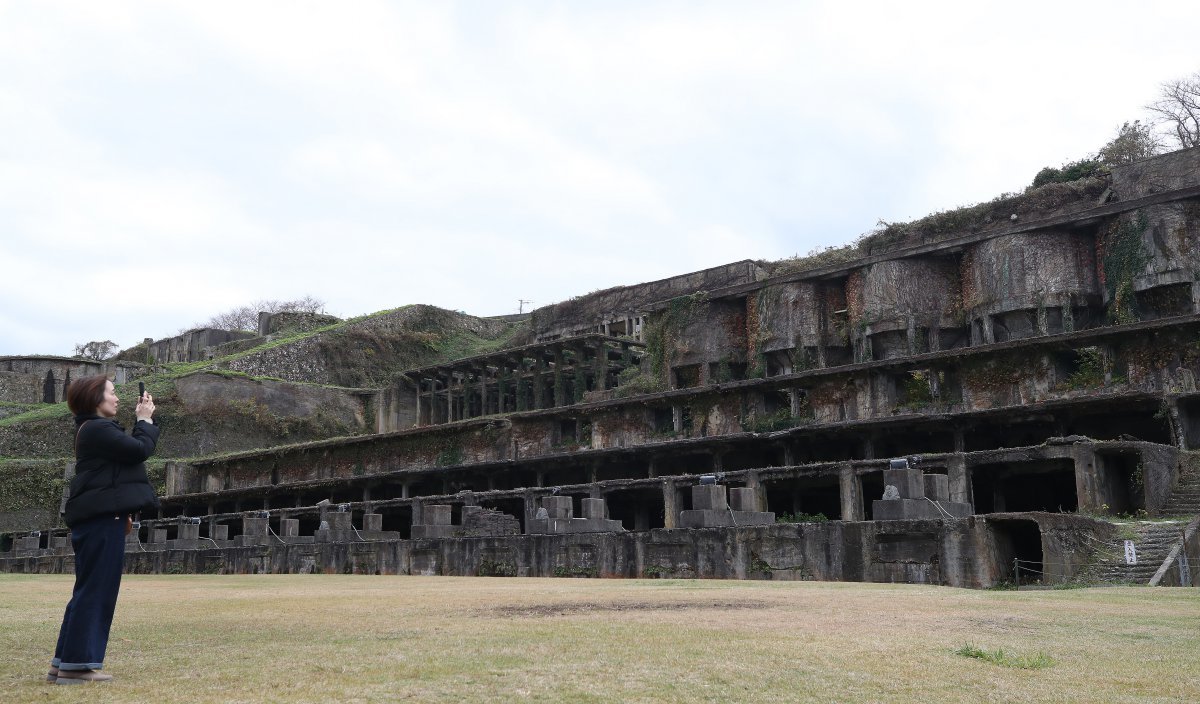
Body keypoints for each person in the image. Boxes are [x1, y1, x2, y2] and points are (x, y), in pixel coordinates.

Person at [49, 375, 160, 685]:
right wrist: (145, 420)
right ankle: (77, 666)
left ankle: (65, 662)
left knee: (87, 591)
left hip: (99, 518)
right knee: (96, 591)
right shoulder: (97, 429)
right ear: (95, 398)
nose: (116, 398)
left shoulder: (95, 430)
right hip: (100, 520)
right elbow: (139, 449)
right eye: (112, 393)